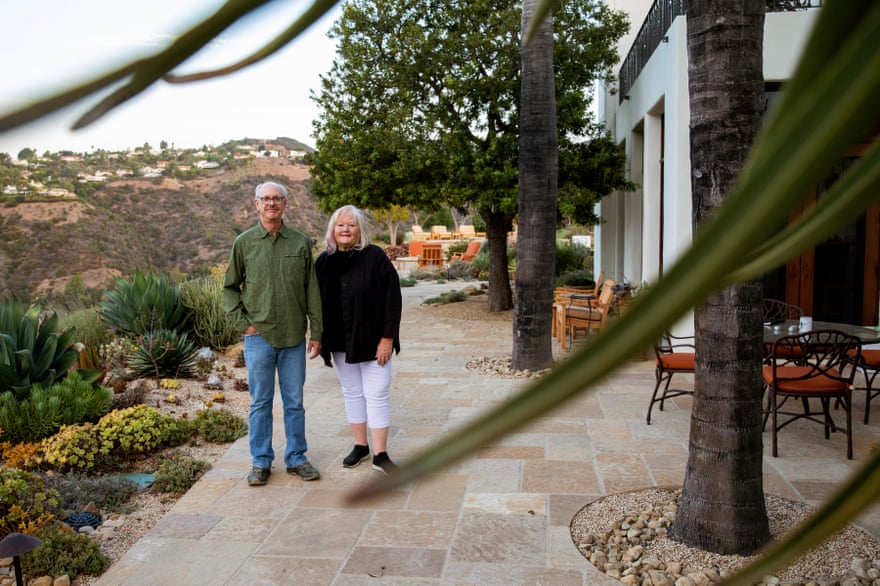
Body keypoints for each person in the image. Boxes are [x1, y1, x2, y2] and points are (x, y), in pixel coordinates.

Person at [223, 181, 323, 486]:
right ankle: (260, 462)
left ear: (285, 204)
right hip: (258, 337)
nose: (271, 204)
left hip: (294, 336)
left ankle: (297, 458)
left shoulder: (300, 242)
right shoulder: (244, 243)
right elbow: (229, 288)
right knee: (260, 402)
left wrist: (316, 331)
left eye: (277, 199)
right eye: (265, 199)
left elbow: (312, 290)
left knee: (294, 401)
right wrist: (245, 324)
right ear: (256, 204)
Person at [315, 205, 402, 474]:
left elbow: (392, 299)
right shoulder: (323, 262)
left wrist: (387, 338)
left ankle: (381, 454)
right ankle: (360, 445)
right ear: (332, 229)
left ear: (360, 229)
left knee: (377, 394)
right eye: (340, 225)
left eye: (351, 225)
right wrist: (316, 336)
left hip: (374, 341)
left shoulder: (375, 257)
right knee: (352, 392)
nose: (345, 230)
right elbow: (314, 303)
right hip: (340, 341)